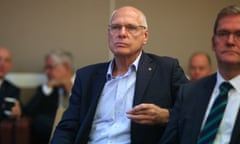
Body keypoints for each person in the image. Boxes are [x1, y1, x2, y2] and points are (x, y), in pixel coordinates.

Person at [51, 6, 188, 144]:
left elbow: (194, 112)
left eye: (131, 27)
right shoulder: (86, 77)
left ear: (145, 36)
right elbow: (67, 128)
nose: (122, 33)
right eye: (116, 27)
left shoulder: (166, 69)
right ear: (109, 33)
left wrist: (166, 116)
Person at [160, 5, 240, 144]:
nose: (230, 41)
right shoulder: (188, 93)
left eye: (239, 35)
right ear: (213, 43)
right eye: (223, 33)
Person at [23, 49, 75, 144]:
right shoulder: (47, 88)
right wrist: (47, 88)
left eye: (50, 67)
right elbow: (28, 112)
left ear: (66, 67)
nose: (46, 72)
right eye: (46, 68)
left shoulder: (83, 83)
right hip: (53, 132)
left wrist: (71, 91)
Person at [0, 47, 21, 121]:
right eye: (0, 59)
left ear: (10, 66)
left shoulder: (13, 90)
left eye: (7, 60)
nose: (2, 63)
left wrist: (16, 114)